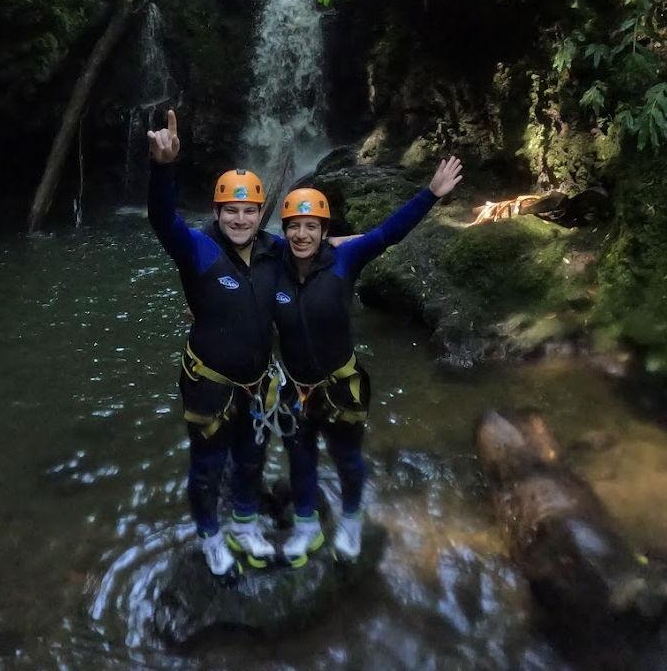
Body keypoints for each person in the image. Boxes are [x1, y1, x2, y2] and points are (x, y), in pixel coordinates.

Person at [273, 156, 465, 565]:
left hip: (341, 386)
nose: (302, 234)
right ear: (284, 230)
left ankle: (352, 519)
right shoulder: (274, 264)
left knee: (346, 458)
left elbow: (387, 234)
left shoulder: (345, 259)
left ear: (325, 231)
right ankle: (306, 526)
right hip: (293, 386)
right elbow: (236, 242)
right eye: (295, 226)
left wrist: (430, 194)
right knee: (300, 457)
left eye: (312, 226)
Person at [147, 108, 284, 575]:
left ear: (261, 213)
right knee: (207, 467)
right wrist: (163, 168)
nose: (241, 219)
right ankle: (209, 535)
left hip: (258, 383)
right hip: (208, 383)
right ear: (218, 212)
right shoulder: (199, 249)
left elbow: (328, 249)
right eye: (232, 211)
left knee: (251, 459)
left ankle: (245, 524)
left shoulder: (274, 251)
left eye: (249, 211)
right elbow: (163, 221)